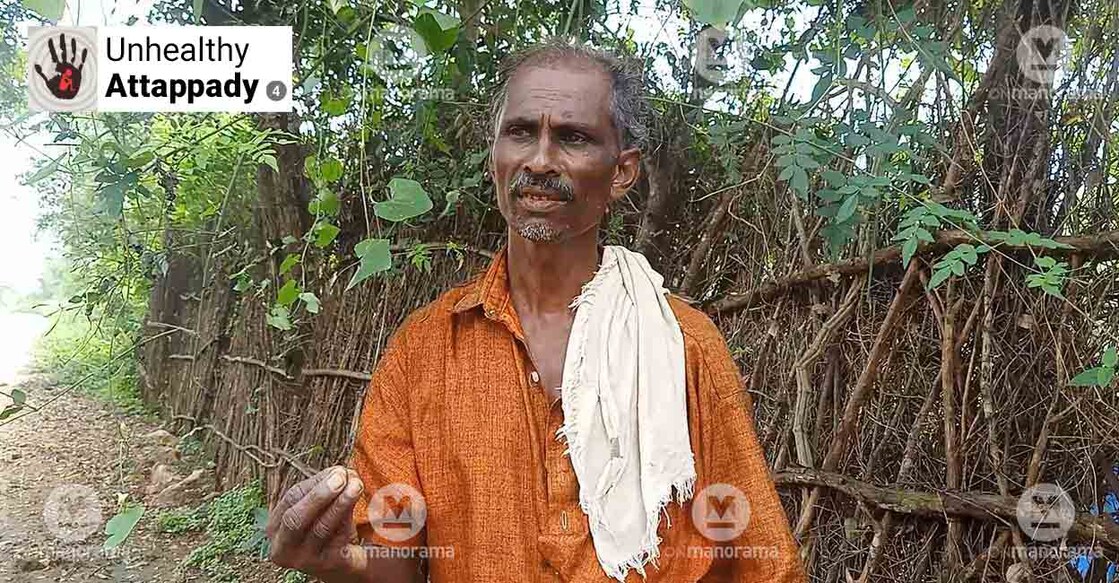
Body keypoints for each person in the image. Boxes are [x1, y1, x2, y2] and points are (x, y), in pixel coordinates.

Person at [265, 39, 805, 582]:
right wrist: (337, 561)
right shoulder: (423, 351)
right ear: (494, 155)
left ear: (622, 171)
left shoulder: (682, 346)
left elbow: (759, 561)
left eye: (573, 138)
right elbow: (395, 560)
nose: (540, 161)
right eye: (521, 132)